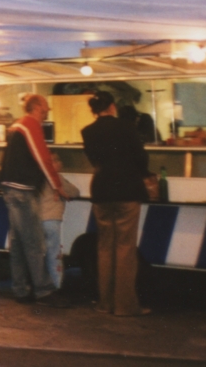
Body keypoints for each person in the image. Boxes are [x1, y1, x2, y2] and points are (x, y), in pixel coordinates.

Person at [81, 90, 150, 316]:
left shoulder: (88, 131)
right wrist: (142, 173)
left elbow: (94, 160)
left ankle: (105, 303)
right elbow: (141, 157)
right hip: (127, 190)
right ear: (112, 106)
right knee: (124, 248)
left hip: (101, 190)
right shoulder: (127, 127)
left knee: (104, 247)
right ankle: (125, 306)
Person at [0, 94, 71, 307]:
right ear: (37, 107)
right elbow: (43, 158)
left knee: (18, 242)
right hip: (22, 189)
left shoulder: (16, 126)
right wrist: (57, 185)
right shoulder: (30, 125)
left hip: (9, 188)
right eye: (46, 106)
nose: (48, 109)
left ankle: (20, 289)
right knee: (33, 241)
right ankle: (44, 290)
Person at [40, 154, 80, 290]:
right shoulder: (56, 178)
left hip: (37, 220)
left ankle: (40, 285)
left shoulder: (38, 178)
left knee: (40, 254)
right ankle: (56, 286)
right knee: (54, 254)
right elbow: (75, 192)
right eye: (56, 160)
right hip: (52, 220)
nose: (60, 163)